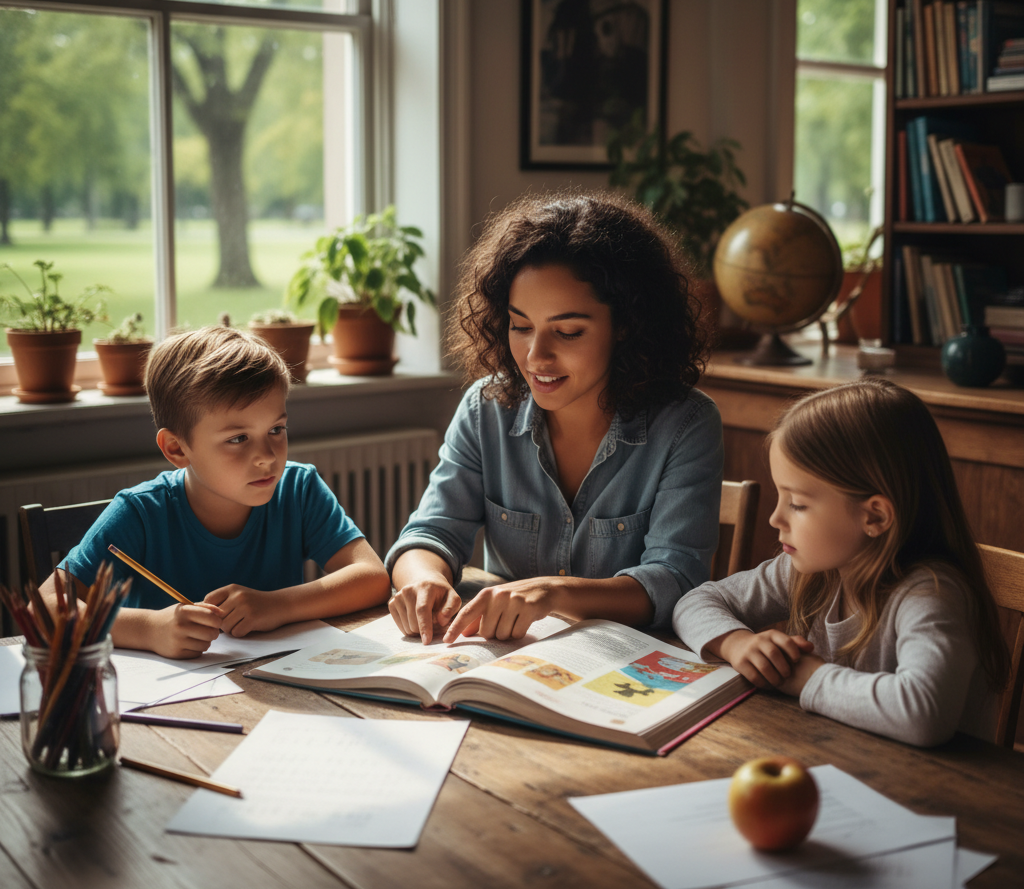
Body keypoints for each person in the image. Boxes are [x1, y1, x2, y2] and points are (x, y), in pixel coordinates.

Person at [386, 193, 724, 644]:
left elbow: (675, 579)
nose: (535, 355)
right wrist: (422, 578)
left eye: (567, 331)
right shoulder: (484, 407)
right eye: (520, 325)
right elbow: (430, 531)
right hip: (507, 665)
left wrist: (552, 593)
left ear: (626, 327)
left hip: (623, 673)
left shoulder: (686, 424)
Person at [672, 379, 1009, 747]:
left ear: (875, 517)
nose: (775, 518)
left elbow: (923, 713)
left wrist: (805, 677)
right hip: (842, 759)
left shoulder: (932, 596)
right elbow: (695, 601)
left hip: (937, 792)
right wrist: (735, 643)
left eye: (798, 504)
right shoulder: (811, 572)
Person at [42, 325, 391, 659]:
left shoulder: (298, 489)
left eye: (276, 429)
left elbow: (372, 578)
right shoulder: (140, 513)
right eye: (238, 439)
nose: (267, 457)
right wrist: (147, 629)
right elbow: (44, 608)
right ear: (177, 449)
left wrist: (277, 605)